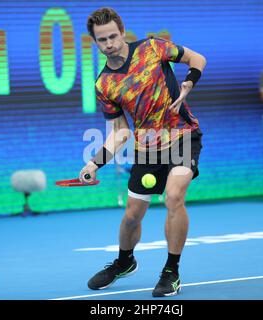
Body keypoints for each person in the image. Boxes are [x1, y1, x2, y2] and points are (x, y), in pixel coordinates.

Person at [78, 7, 206, 297]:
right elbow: (121, 131)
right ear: (95, 42)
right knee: (131, 217)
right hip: (147, 149)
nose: (109, 43)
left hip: (183, 135)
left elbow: (197, 59)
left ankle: (171, 272)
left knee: (174, 196)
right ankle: (125, 262)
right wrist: (93, 164)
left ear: (122, 33)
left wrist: (188, 83)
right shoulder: (104, 84)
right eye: (102, 40)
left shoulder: (152, 47)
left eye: (113, 36)